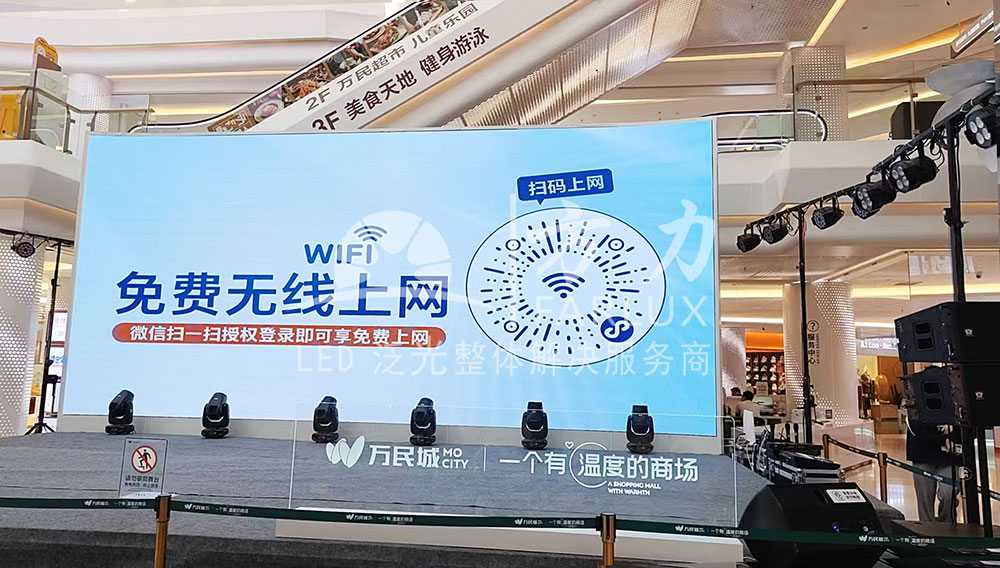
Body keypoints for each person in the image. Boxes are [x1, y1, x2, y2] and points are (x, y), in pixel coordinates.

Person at [906, 419, 959, 522]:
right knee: (925, 499)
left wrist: (954, 428)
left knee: (948, 494)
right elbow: (915, 425)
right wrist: (942, 439)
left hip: (950, 455)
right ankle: (927, 527)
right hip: (922, 451)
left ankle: (947, 526)